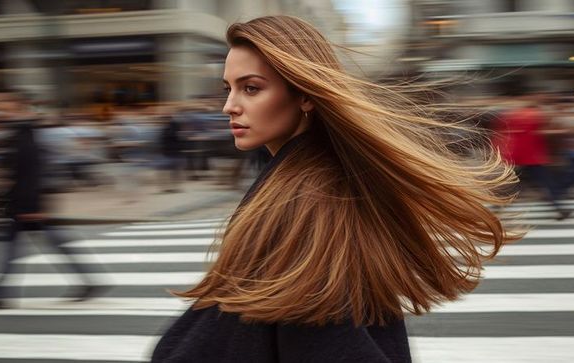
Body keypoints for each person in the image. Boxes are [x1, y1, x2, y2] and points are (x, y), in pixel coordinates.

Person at [151, 15, 521, 362]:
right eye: (228, 89)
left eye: (251, 88)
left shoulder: (307, 198)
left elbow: (323, 335)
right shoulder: (303, 180)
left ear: (306, 95)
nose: (229, 106)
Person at [0, 114, 103, 310]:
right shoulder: (26, 143)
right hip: (25, 207)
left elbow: (29, 178)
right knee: (53, 247)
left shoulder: (24, 146)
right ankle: (89, 281)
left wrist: (32, 207)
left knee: (11, 254)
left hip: (26, 209)